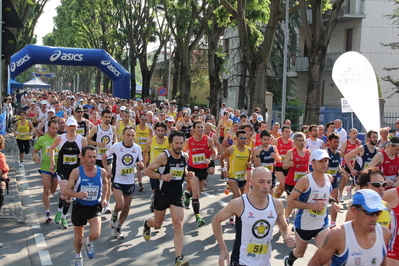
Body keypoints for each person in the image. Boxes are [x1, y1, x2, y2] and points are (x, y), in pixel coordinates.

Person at [212, 167, 295, 266]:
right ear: (251, 182)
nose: (265, 186)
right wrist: (223, 249)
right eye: (261, 182)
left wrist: (288, 236)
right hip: (241, 262)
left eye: (269, 182)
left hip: (264, 263)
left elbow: (284, 227)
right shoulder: (239, 203)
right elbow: (216, 220)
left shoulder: (276, 204)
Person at [143, 131, 193, 266]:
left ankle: (178, 258)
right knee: (158, 224)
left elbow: (183, 170)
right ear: (170, 143)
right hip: (163, 194)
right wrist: (161, 177)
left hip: (177, 195)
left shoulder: (185, 156)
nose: (179, 145)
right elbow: (146, 171)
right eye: (176, 143)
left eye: (181, 143)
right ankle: (147, 224)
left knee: (177, 224)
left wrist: (187, 174)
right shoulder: (163, 157)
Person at [284, 149, 340, 266]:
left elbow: (325, 194)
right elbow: (290, 201)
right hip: (304, 225)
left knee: (328, 259)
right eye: (321, 161)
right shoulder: (305, 181)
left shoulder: (329, 178)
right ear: (313, 164)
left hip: (322, 224)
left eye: (326, 161)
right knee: (299, 253)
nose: (324, 164)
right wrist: (312, 206)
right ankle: (290, 258)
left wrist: (333, 202)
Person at [308, 189, 390, 266]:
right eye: (369, 213)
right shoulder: (338, 235)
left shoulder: (385, 233)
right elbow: (315, 263)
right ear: (354, 210)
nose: (375, 218)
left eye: (378, 212)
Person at [65, 145, 108, 266]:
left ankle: (88, 242)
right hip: (80, 206)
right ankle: (78, 257)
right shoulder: (76, 172)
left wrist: (104, 199)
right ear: (83, 157)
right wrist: (76, 194)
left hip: (94, 206)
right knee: (78, 237)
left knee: (96, 234)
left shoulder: (101, 172)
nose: (92, 159)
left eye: (94, 157)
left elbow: (106, 184)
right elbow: (67, 190)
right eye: (89, 157)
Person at [103, 126, 144, 239]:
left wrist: (141, 165)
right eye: (128, 135)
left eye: (132, 135)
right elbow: (104, 157)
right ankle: (114, 215)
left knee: (126, 208)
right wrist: (107, 171)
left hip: (130, 181)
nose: (130, 137)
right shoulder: (116, 147)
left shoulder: (137, 148)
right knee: (120, 205)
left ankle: (118, 228)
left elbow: (140, 161)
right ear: (123, 136)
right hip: (117, 180)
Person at [49, 116, 88, 229]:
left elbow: (85, 154)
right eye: (70, 126)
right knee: (65, 192)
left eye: (74, 126)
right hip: (62, 170)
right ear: (66, 127)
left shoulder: (82, 139)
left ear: (77, 127)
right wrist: (52, 162)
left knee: (69, 197)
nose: (72, 128)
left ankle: (63, 215)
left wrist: (83, 161)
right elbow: (51, 149)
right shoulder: (60, 138)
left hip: (74, 171)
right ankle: (60, 212)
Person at [183, 121, 217, 228]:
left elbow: (214, 152)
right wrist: (185, 160)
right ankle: (198, 217)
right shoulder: (189, 141)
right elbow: (182, 153)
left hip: (203, 169)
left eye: (202, 127)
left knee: (198, 192)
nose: (201, 129)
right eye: (198, 127)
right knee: (196, 194)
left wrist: (209, 159)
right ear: (193, 130)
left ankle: (188, 195)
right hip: (193, 169)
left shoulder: (208, 140)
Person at [87, 109, 117, 214]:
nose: (108, 119)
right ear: (102, 117)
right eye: (106, 117)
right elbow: (87, 140)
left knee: (108, 180)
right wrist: (98, 144)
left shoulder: (113, 128)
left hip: (108, 158)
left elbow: (115, 141)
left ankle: (106, 204)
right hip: (97, 158)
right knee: (97, 181)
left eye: (110, 117)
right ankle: (96, 200)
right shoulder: (96, 128)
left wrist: (113, 148)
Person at [219, 130, 252, 225]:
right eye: (241, 138)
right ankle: (230, 213)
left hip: (242, 177)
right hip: (232, 177)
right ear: (236, 139)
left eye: (244, 138)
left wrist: (249, 165)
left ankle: (231, 210)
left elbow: (248, 163)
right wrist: (224, 170)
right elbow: (221, 158)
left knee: (239, 198)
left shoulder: (249, 150)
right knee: (237, 195)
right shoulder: (231, 149)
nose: (243, 140)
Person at [32, 120, 59, 223]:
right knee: (46, 188)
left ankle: (46, 196)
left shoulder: (61, 139)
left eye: (56, 128)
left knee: (52, 191)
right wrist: (35, 158)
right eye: (53, 128)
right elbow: (34, 151)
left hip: (57, 169)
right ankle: (47, 212)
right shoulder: (42, 139)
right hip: (46, 168)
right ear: (48, 128)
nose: (55, 130)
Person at [143, 122, 169, 212]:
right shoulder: (150, 141)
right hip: (153, 169)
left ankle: (156, 201)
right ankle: (156, 202)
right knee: (155, 190)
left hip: (165, 169)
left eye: (162, 131)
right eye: (158, 130)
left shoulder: (169, 141)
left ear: (165, 131)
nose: (160, 132)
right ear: (155, 130)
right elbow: (145, 152)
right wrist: (144, 165)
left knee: (163, 191)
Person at [344, 130, 379, 197]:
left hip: (369, 176)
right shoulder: (361, 148)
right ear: (368, 138)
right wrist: (351, 170)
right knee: (362, 195)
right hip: (359, 176)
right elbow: (346, 156)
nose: (376, 139)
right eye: (374, 137)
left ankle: (350, 190)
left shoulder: (377, 150)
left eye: (377, 137)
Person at [271, 125, 293, 198]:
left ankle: (275, 198)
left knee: (283, 186)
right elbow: (270, 151)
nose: (288, 133)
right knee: (283, 184)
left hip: (288, 167)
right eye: (286, 132)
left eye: (289, 132)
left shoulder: (292, 142)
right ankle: (274, 198)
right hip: (279, 166)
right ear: (282, 132)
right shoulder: (276, 141)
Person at [326, 133, 343, 228]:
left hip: (334, 181)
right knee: (322, 201)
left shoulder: (338, 153)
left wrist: (341, 172)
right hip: (324, 181)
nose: (337, 144)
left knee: (335, 200)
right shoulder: (326, 153)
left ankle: (333, 222)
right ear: (329, 142)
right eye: (335, 142)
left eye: (338, 142)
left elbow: (338, 165)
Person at [339, 128, 362, 200]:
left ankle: (349, 189)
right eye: (354, 133)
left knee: (357, 181)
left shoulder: (359, 143)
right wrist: (349, 155)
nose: (355, 134)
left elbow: (361, 153)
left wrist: (356, 155)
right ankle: (340, 195)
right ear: (349, 134)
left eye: (356, 133)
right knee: (344, 180)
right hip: (347, 163)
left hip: (355, 164)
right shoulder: (346, 143)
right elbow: (341, 154)